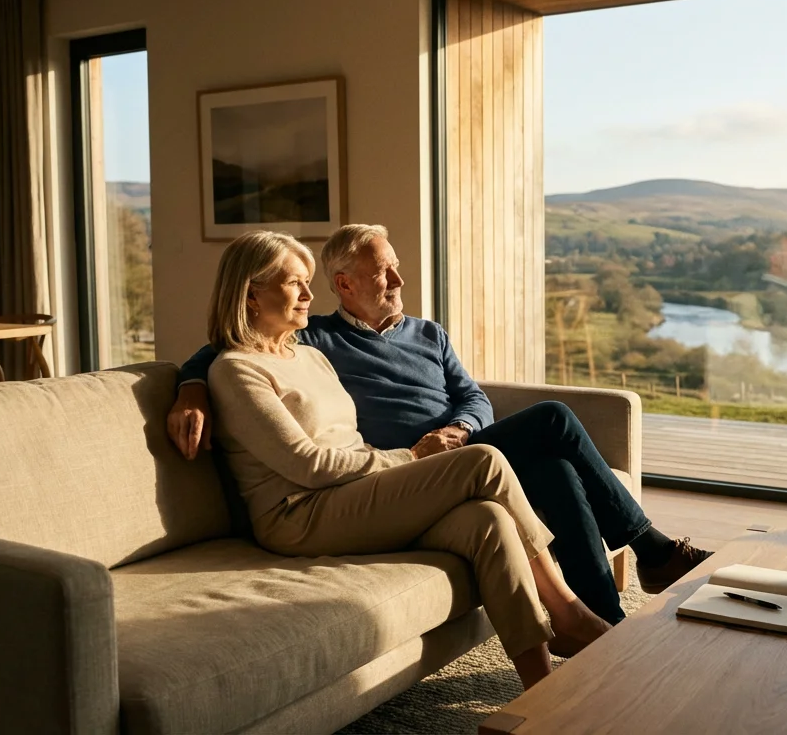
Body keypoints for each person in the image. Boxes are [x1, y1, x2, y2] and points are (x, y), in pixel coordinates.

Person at [168, 224, 712, 625]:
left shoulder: (429, 334)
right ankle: (649, 552)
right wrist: (191, 386)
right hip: (403, 472)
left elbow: (473, 397)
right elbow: (231, 344)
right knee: (553, 424)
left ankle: (608, 619)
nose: (399, 279)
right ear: (346, 283)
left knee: (553, 465)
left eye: (396, 265)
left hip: (459, 448)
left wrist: (464, 428)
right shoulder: (314, 338)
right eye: (384, 271)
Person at [200, 230, 609, 689]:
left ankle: (541, 690)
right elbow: (308, 466)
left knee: (487, 519)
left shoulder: (310, 355)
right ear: (252, 296)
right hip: (299, 515)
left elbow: (351, 443)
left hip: (352, 492)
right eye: (295, 283)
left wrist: (400, 461)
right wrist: (411, 457)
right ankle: (569, 611)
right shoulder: (237, 370)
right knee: (483, 461)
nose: (311, 295)